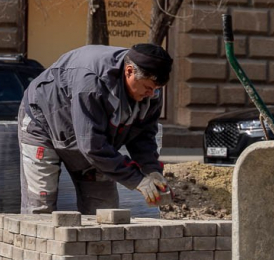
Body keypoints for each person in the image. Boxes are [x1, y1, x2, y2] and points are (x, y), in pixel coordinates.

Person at [18, 43, 173, 214]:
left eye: (157, 89)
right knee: (40, 208)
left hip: (90, 136)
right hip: (43, 124)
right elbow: (92, 146)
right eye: (149, 88)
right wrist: (137, 180)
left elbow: (143, 136)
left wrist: (151, 170)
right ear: (129, 71)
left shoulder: (151, 93)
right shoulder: (92, 83)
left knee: (104, 209)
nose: (152, 94)